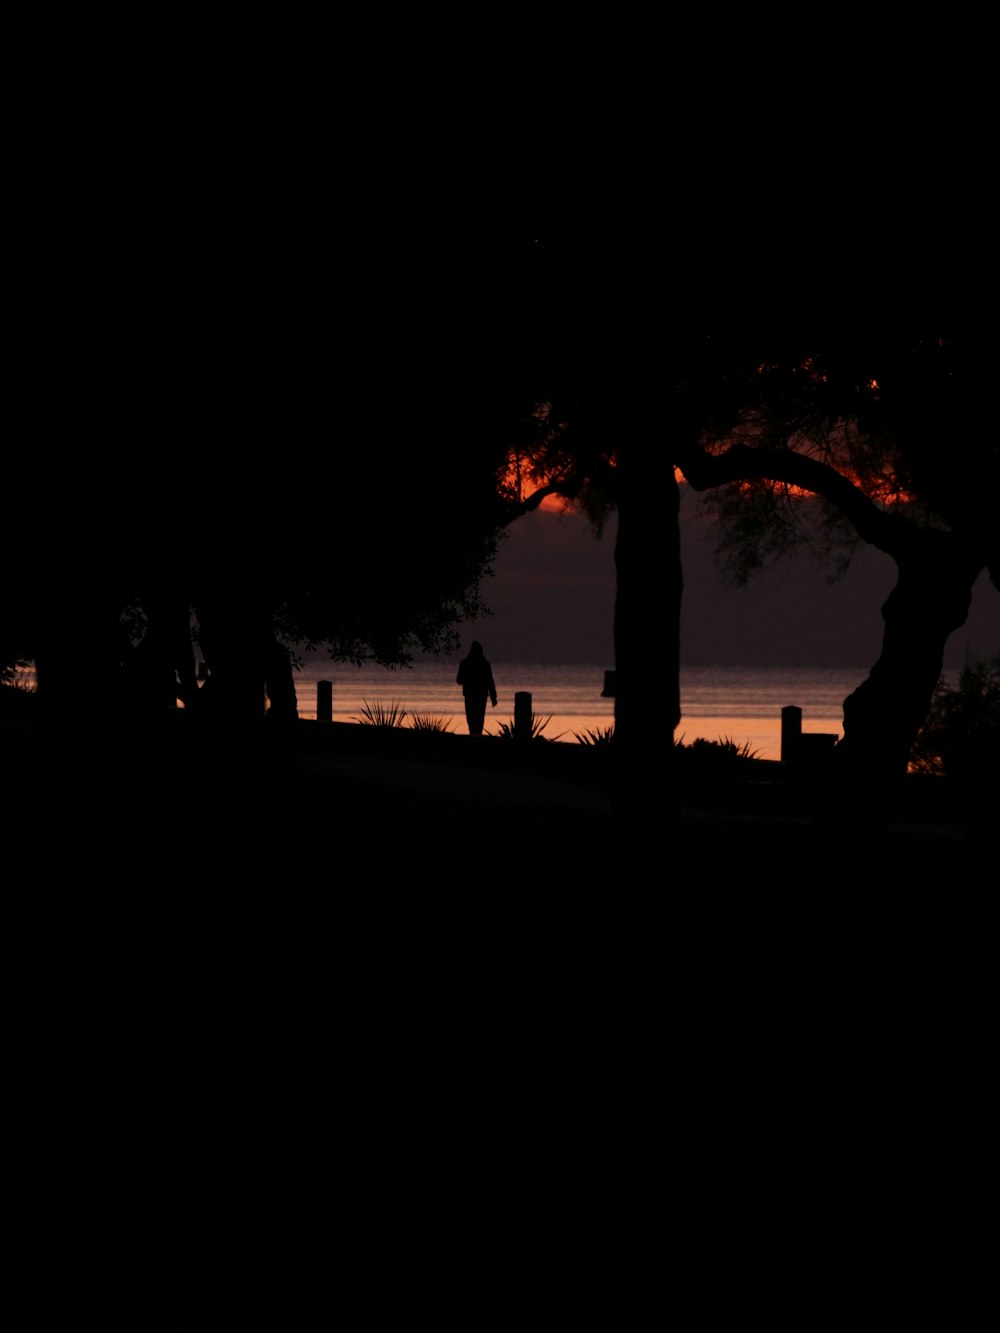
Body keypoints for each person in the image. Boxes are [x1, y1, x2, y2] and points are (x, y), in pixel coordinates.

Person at [456, 640, 497, 736]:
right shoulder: (485, 664)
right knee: (479, 718)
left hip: (471, 695)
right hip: (480, 696)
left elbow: (459, 680)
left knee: (471, 718)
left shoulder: (465, 663)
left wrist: (493, 697)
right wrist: (493, 697)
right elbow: (490, 682)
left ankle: (474, 735)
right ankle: (477, 736)